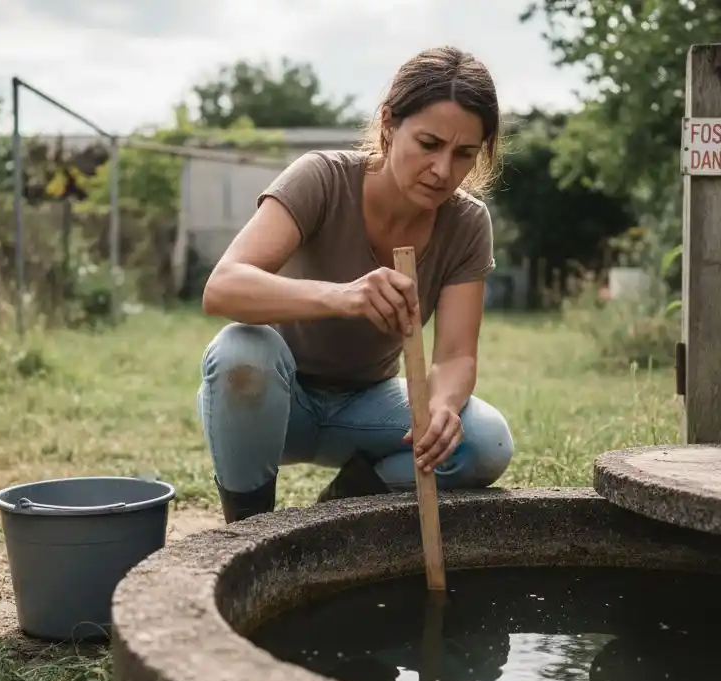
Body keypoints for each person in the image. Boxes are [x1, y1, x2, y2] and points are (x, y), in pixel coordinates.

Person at [196, 45, 515, 523]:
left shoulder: (467, 223)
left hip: (369, 406)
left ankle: (342, 511)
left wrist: (445, 405)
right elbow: (223, 287)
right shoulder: (322, 178)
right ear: (388, 123)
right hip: (278, 404)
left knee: (485, 441)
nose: (443, 171)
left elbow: (455, 355)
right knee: (243, 352)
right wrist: (344, 296)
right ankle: (248, 530)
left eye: (464, 154)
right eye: (429, 144)